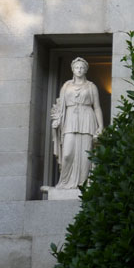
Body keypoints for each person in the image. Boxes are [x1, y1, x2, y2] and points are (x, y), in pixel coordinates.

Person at [51, 57, 104, 189]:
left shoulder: (91, 86)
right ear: (72, 69)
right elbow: (61, 106)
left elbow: (97, 107)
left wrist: (101, 126)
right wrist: (57, 120)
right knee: (67, 154)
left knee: (85, 155)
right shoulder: (66, 86)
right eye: (76, 67)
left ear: (85, 70)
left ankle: (83, 184)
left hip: (87, 119)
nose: (79, 70)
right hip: (70, 119)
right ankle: (64, 182)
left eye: (82, 68)